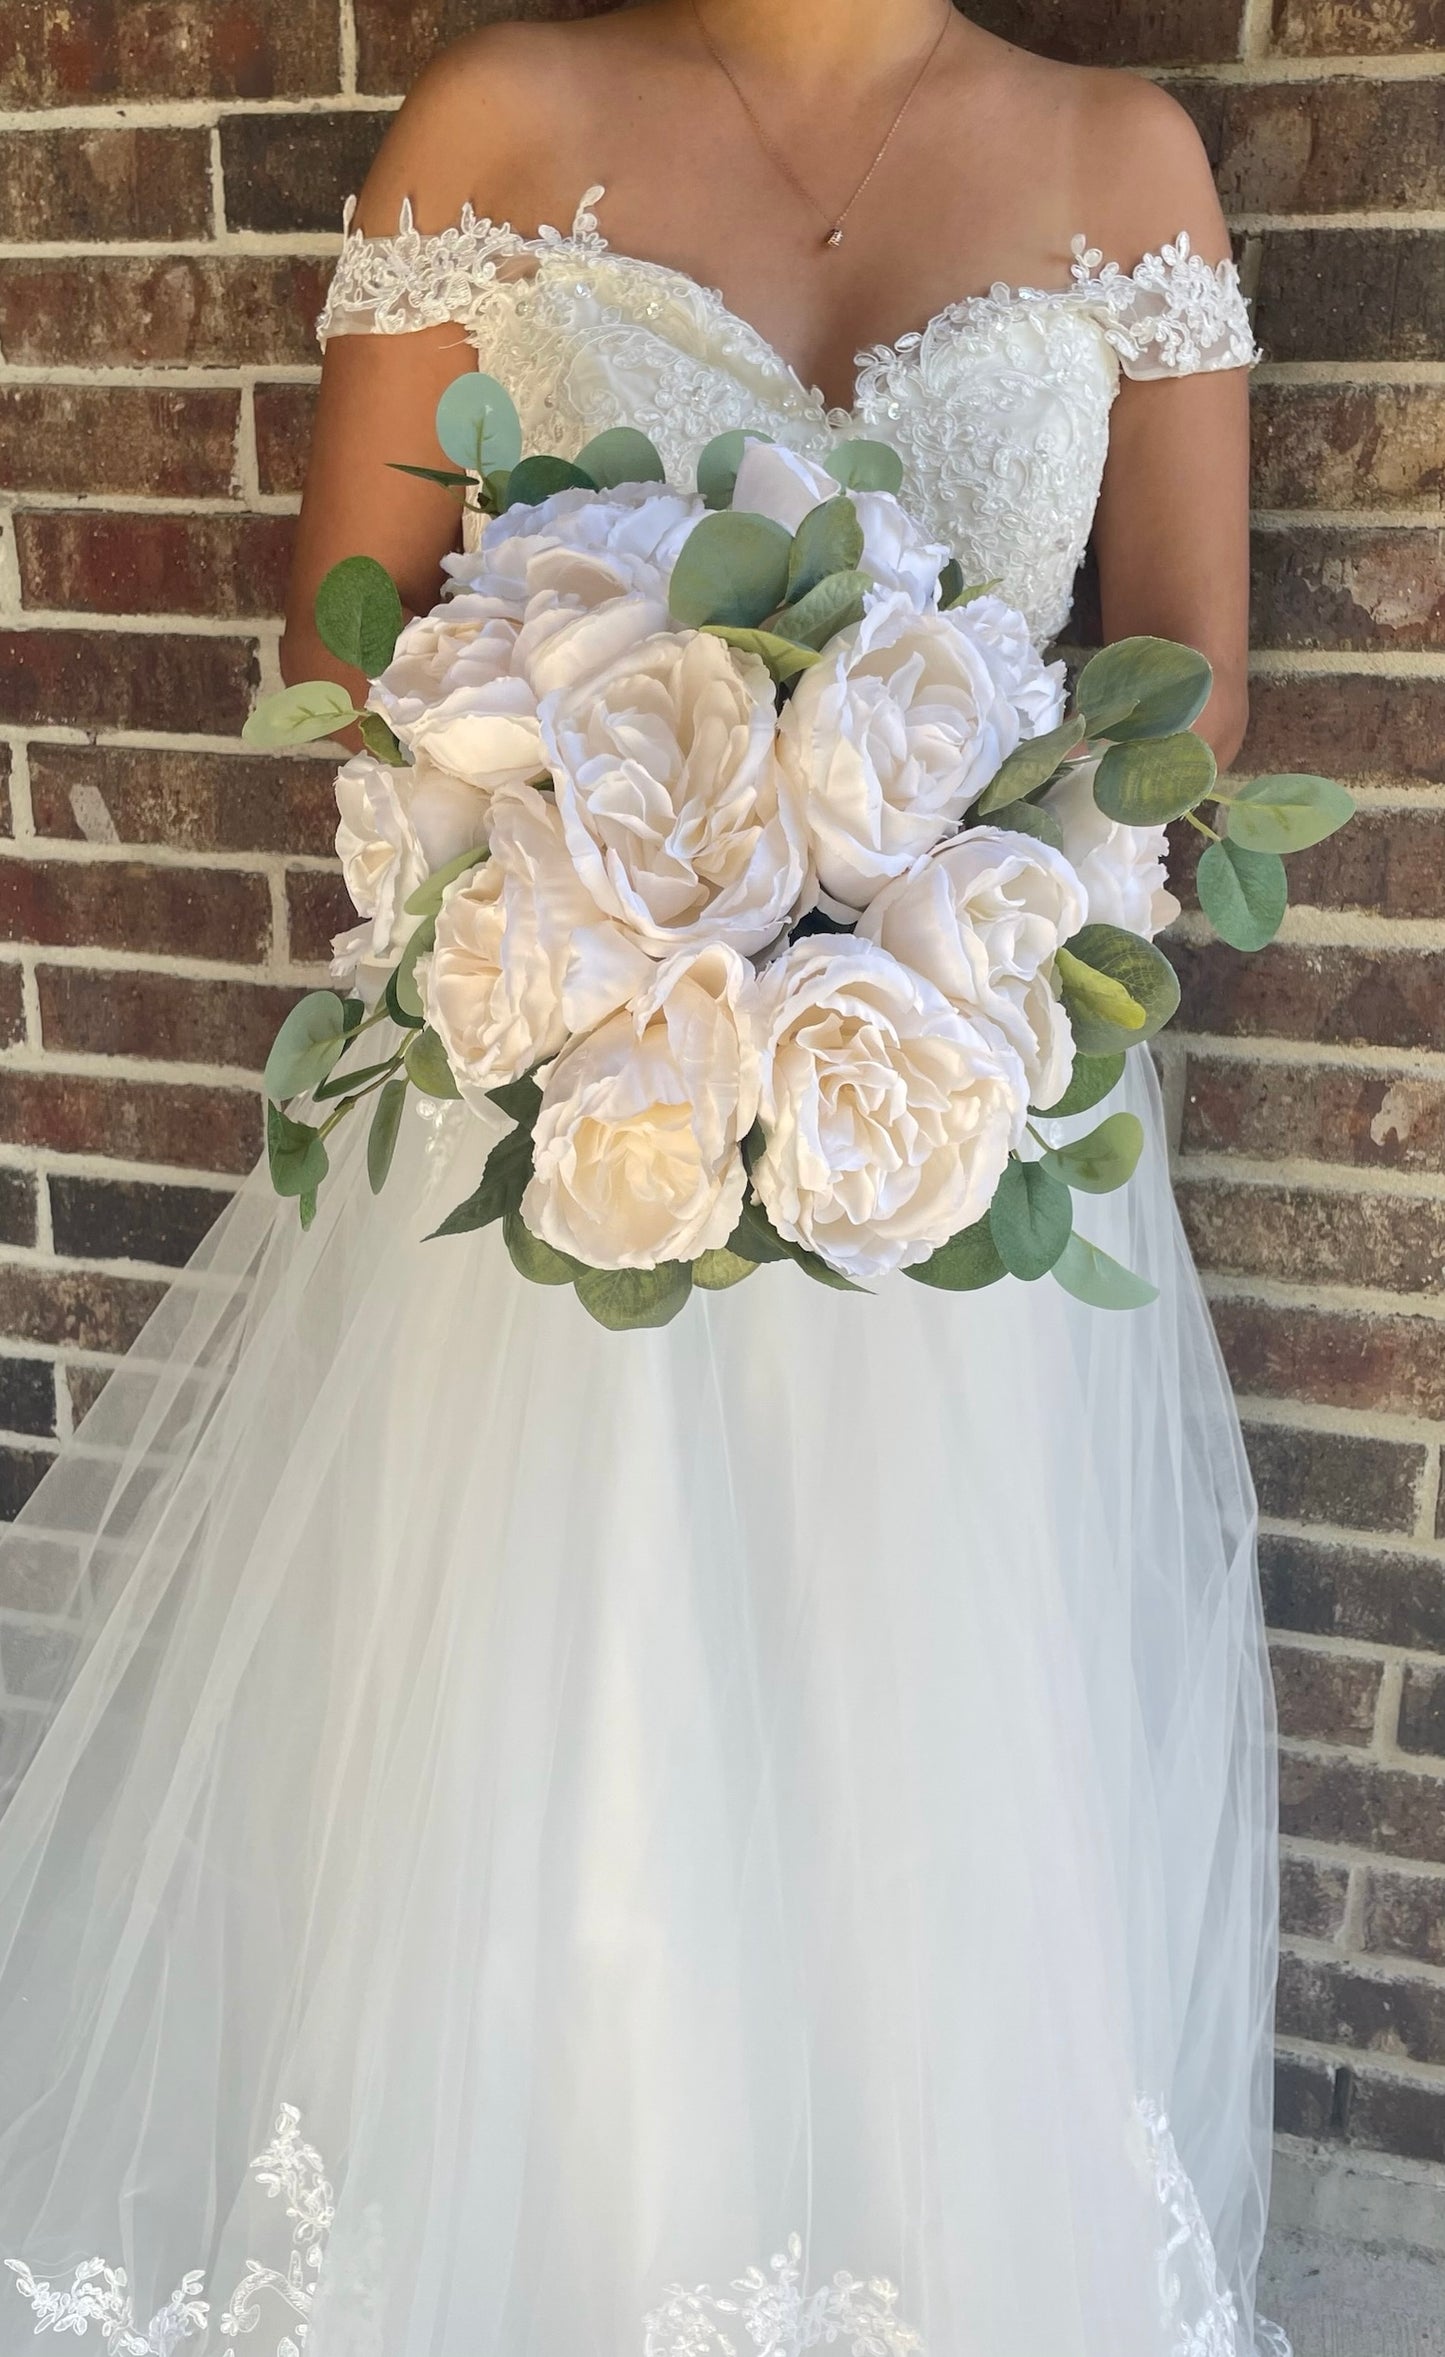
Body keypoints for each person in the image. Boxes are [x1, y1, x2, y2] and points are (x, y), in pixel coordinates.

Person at [0, 5, 1284, 2352]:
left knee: (929, 1780)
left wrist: (937, 855)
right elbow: (349, 648)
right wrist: (609, 884)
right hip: (578, 1104)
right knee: (578, 1742)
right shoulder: (502, 127)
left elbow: (1192, 673)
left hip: (952, 1097)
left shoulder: (1122, 155)